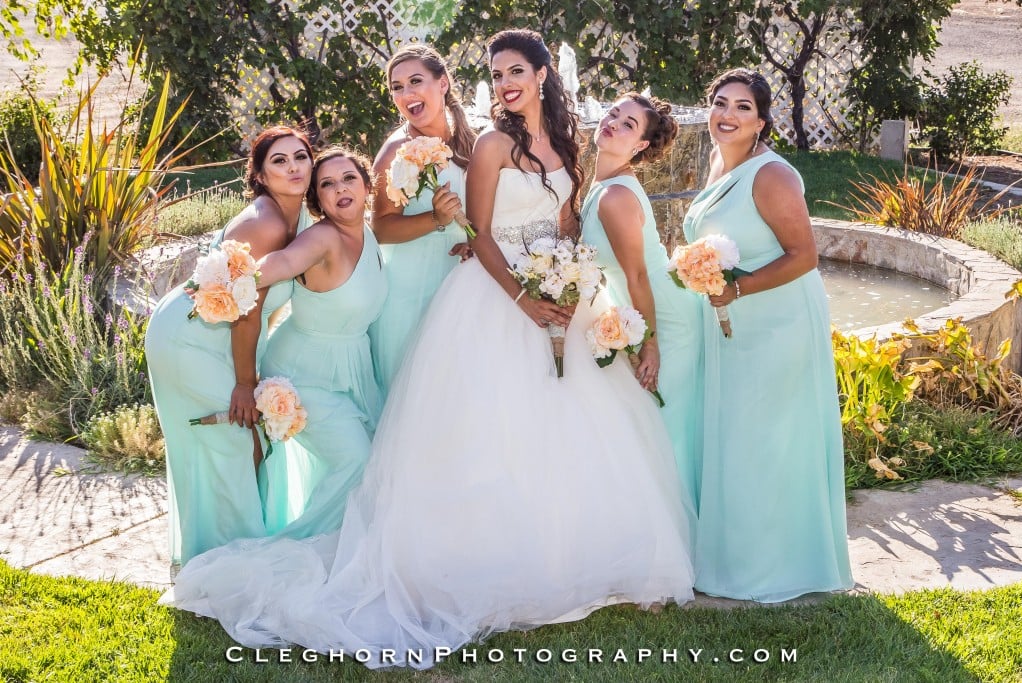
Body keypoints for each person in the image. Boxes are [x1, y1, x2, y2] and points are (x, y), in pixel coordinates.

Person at [161, 30, 694, 669]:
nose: (504, 84)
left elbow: (563, 220)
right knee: (480, 430)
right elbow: (482, 232)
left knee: (559, 429)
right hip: (492, 299)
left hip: (554, 295)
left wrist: (565, 274)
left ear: (545, 73)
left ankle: (562, 553)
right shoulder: (494, 144)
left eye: (516, 71)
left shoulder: (564, 144)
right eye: (496, 75)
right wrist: (523, 299)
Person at [684, 68, 853, 602]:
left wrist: (738, 289)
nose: (727, 115)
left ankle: (779, 568)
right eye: (719, 103)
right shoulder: (718, 162)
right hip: (732, 320)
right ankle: (735, 558)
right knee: (737, 437)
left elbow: (804, 256)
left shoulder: (771, 175)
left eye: (741, 108)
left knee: (770, 439)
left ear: (761, 122)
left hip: (778, 321)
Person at [145, 125, 313, 570]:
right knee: (234, 439)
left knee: (242, 441)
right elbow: (247, 312)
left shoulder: (296, 218)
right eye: (279, 160)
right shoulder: (268, 223)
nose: (294, 167)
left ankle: (229, 555)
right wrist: (245, 384)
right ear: (259, 173)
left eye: (301, 156)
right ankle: (226, 565)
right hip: (188, 338)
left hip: (211, 338)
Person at [579, 92, 704, 527]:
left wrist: (649, 345)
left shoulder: (615, 196)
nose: (613, 123)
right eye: (613, 114)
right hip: (645, 312)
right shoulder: (601, 185)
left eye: (629, 125)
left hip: (666, 320)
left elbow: (637, 278)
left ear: (641, 146)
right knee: (653, 426)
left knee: (667, 426)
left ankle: (681, 537)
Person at [255, 147, 387, 538]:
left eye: (348, 178)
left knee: (377, 460)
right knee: (356, 461)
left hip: (349, 370)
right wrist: (229, 278)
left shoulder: (368, 235)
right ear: (318, 200)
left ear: (366, 185)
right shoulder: (323, 238)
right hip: (303, 376)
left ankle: (346, 543)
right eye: (327, 184)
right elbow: (282, 263)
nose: (340, 189)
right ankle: (296, 547)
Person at [368, 44, 476, 393]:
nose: (406, 94)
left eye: (416, 81)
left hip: (468, 280)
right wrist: (436, 218)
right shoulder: (394, 153)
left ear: (443, 83)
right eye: (397, 88)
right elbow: (380, 228)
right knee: (416, 394)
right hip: (411, 291)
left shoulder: (474, 135)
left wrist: (481, 238)